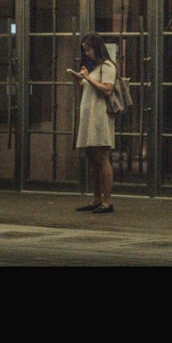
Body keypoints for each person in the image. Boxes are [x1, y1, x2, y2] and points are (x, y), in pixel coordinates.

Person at [69, 33, 117, 214]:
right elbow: (89, 88)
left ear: (96, 47)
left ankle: (107, 201)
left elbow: (107, 89)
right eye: (85, 50)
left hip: (100, 117)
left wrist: (88, 78)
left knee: (102, 157)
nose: (87, 53)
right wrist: (80, 80)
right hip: (90, 116)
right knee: (92, 158)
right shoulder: (96, 67)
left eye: (88, 49)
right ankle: (97, 197)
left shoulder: (107, 66)